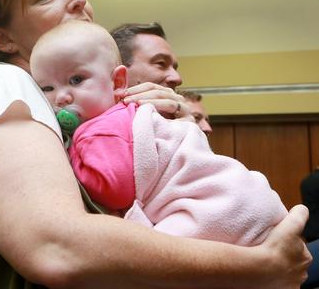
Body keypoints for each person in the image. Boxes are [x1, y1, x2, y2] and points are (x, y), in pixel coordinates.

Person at [0, 0, 310, 288]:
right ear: (3, 38)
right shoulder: (2, 83)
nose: (78, 0)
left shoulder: (74, 112)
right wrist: (259, 264)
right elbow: (57, 247)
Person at [30, 20, 286, 246]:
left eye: (76, 80)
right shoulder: (123, 119)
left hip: (220, 206)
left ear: (116, 81)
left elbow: (115, 190)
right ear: (124, 78)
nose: (61, 97)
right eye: (47, 88)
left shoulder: (99, 130)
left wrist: (69, 157)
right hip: (245, 203)